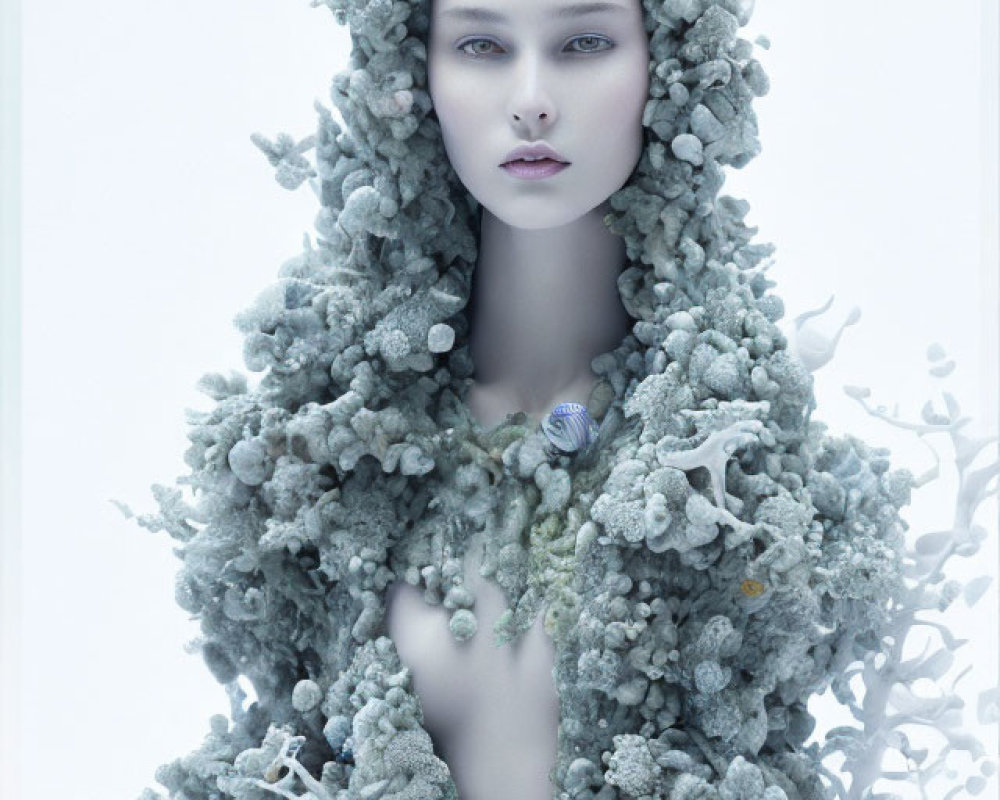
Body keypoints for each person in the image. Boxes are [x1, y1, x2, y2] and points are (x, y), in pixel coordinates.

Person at [136, 1, 914, 799]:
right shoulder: (327, 459)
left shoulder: (744, 474)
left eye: (583, 43)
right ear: (412, 71)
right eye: (482, 44)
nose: (533, 98)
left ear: (668, 62)